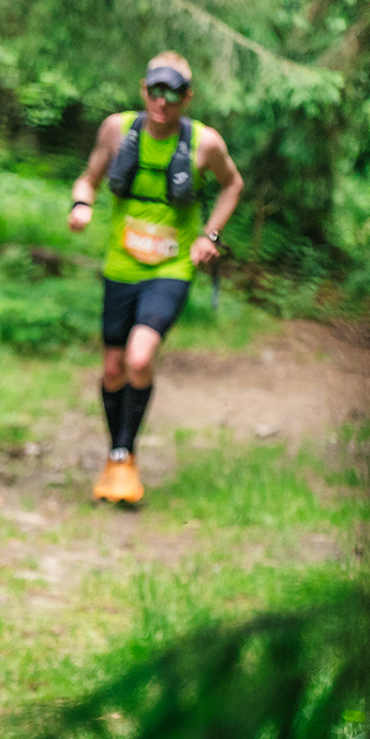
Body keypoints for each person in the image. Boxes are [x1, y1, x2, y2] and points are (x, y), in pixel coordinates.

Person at [68, 52, 244, 505]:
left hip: (171, 269)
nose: (162, 102)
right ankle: (118, 456)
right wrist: (81, 205)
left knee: (139, 358)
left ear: (187, 97)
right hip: (121, 267)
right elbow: (87, 179)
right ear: (144, 90)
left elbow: (233, 185)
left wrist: (210, 235)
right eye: (155, 91)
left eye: (173, 93)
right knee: (112, 368)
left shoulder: (205, 143)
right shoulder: (117, 130)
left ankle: (124, 456)